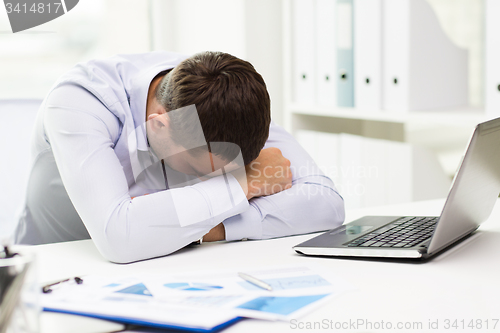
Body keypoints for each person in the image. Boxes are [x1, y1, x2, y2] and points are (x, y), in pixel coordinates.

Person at [15, 51, 344, 263]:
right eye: (203, 169)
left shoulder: (222, 98)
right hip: (52, 269)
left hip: (168, 268)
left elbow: (327, 203)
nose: (221, 178)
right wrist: (244, 184)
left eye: (232, 172)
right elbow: (119, 235)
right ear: (158, 125)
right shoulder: (80, 101)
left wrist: (211, 230)